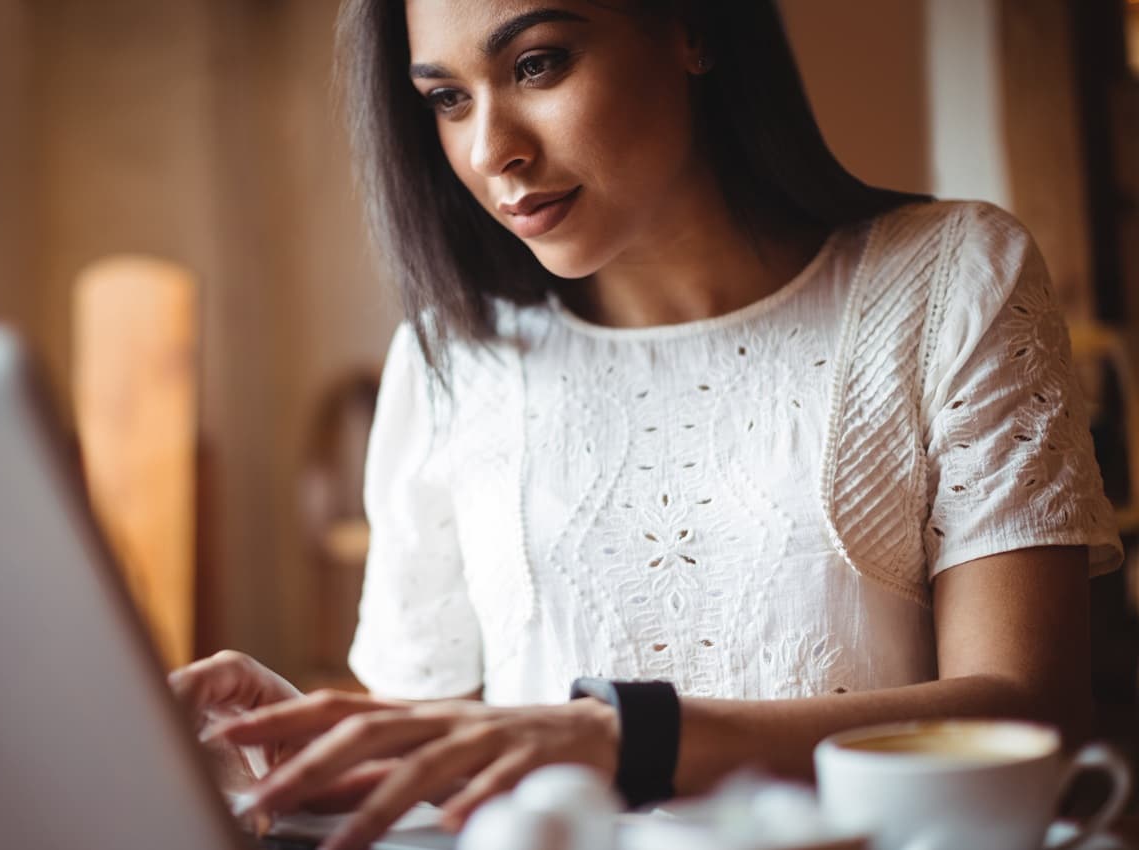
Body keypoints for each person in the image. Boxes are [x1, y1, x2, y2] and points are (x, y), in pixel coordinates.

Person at [167, 2, 1123, 848]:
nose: (491, 149)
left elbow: (1030, 714)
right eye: (447, 99)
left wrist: (625, 739)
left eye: (536, 64)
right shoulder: (451, 359)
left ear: (691, 27)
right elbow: (457, 748)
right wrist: (311, 751)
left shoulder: (951, 280)